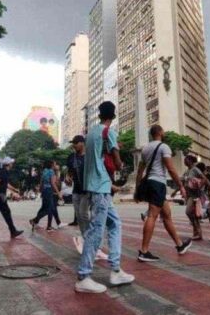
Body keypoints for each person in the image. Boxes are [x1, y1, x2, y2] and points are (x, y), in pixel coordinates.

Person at [75, 101, 134, 293]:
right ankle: (83, 276)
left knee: (115, 223)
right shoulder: (109, 132)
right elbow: (117, 164)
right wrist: (119, 160)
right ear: (113, 116)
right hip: (100, 186)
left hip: (96, 186)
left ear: (100, 114)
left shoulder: (91, 132)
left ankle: (115, 269)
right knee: (96, 230)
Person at [137, 125, 192, 262]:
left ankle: (179, 245)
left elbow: (139, 171)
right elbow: (171, 169)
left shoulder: (145, 149)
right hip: (158, 183)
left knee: (166, 215)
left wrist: (138, 188)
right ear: (160, 132)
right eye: (163, 131)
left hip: (150, 183)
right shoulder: (163, 147)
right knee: (152, 216)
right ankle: (144, 251)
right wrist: (181, 186)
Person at [176, 154, 208, 241]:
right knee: (193, 214)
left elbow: (204, 178)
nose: (184, 161)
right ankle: (197, 232)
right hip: (189, 195)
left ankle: (197, 231)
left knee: (189, 212)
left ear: (190, 160)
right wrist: (176, 191)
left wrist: (200, 186)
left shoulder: (195, 169)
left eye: (186, 159)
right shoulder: (188, 171)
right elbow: (183, 182)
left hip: (195, 195)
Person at [30, 160, 62, 231]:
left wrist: (40, 190)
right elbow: (53, 183)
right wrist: (58, 193)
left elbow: (41, 182)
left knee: (44, 207)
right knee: (49, 209)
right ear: (51, 165)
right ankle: (37, 221)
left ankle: (45, 224)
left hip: (44, 191)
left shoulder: (44, 171)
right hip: (49, 191)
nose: (55, 165)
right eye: (54, 163)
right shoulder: (51, 172)